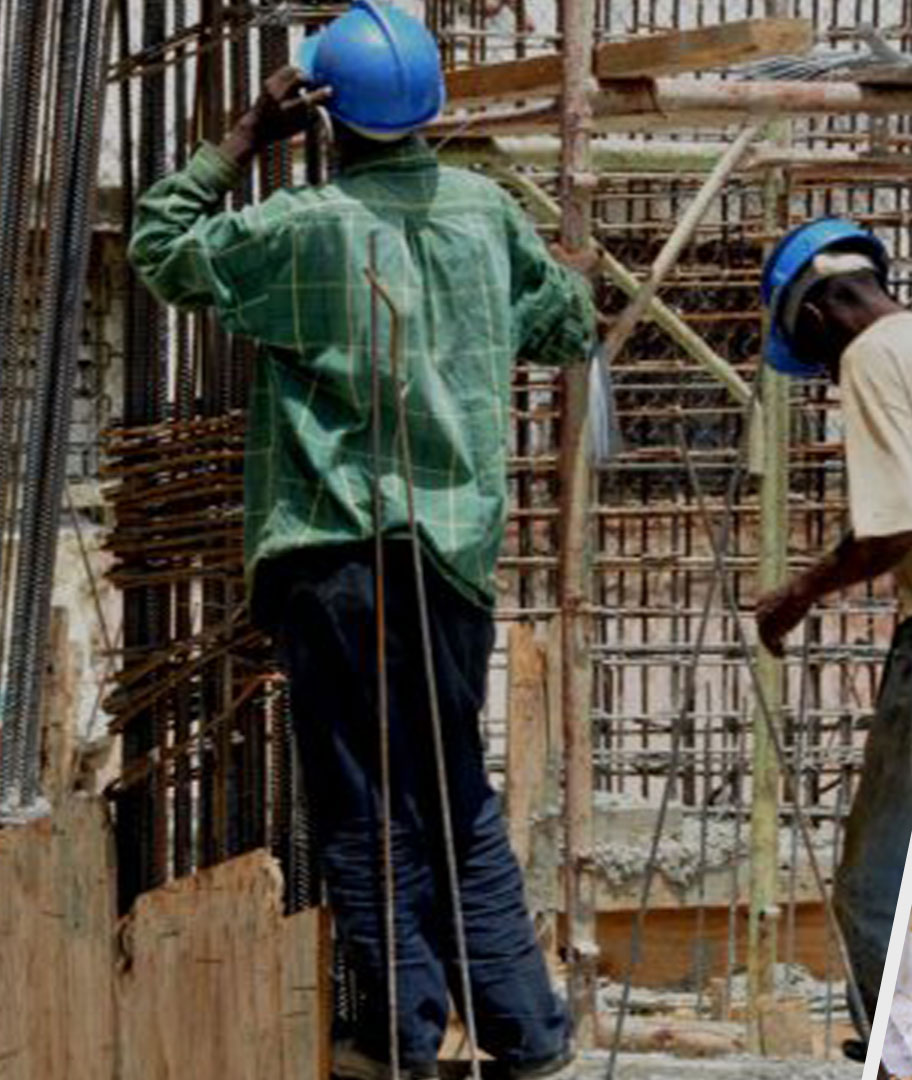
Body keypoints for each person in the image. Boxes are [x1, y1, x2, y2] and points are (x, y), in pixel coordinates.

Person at [129, 5, 584, 1077]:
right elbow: (567, 321)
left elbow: (159, 247)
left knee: (365, 804)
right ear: (430, 110)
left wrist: (242, 134)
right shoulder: (485, 216)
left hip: (331, 557)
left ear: (321, 113)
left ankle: (400, 1038)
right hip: (454, 559)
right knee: (455, 789)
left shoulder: (303, 223)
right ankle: (525, 1031)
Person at [751, 218, 912, 1041]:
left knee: (873, 888)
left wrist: (798, 594)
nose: (828, 377)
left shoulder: (872, 356)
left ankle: (882, 1047)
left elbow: (894, 527)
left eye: (816, 358)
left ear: (822, 316)